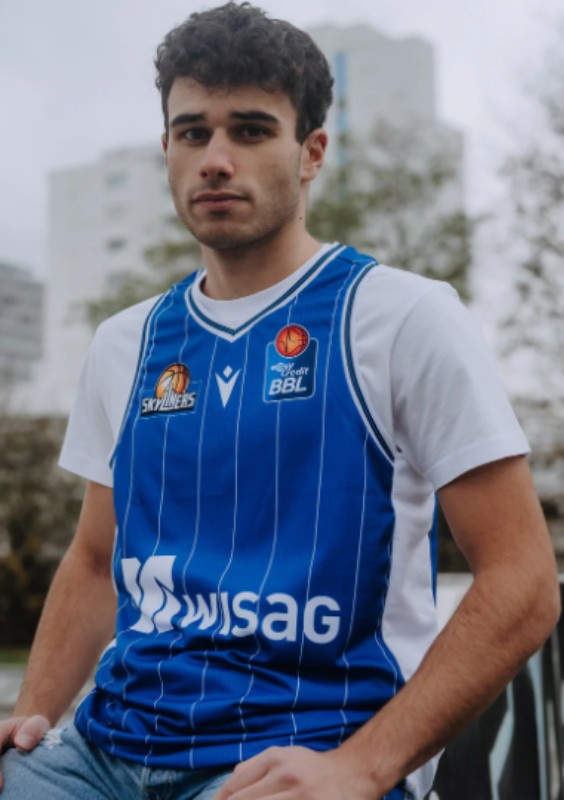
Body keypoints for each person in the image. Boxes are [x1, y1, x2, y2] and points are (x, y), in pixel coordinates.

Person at [0, 3, 559, 799]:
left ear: (311, 153)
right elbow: (95, 561)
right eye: (193, 133)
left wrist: (364, 766)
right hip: (101, 752)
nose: (215, 159)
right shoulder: (125, 343)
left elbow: (523, 582)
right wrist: (31, 719)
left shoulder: (400, 316)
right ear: (167, 149)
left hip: (306, 752)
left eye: (251, 130)